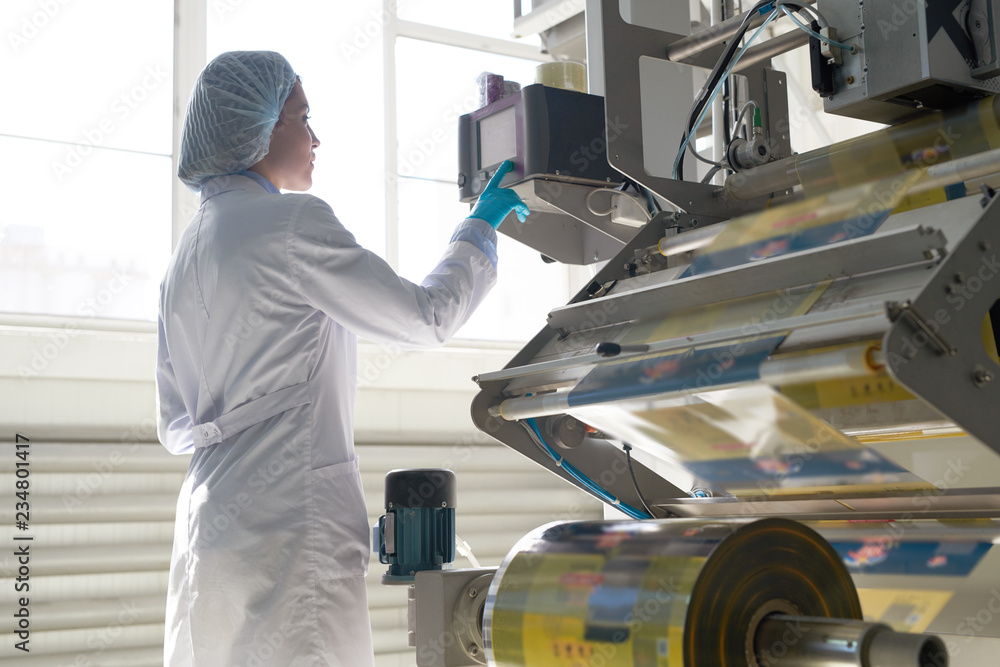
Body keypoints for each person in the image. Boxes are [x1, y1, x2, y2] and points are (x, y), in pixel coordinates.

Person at [155, 50, 528, 667]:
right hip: (288, 523)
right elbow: (425, 318)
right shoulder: (291, 222)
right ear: (261, 127)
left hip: (210, 524)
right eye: (303, 118)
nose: (316, 138)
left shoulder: (186, 254)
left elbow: (173, 421)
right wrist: (481, 227)